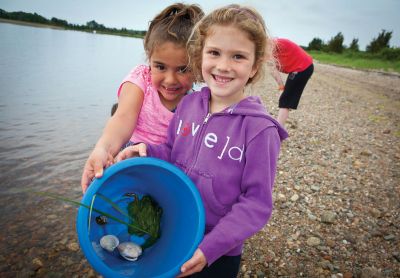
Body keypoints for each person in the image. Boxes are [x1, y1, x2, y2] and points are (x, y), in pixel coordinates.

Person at [115, 5, 288, 277]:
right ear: (200, 54)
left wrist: (211, 248)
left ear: (255, 65)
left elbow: (257, 203)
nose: (223, 66)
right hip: (173, 228)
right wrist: (145, 152)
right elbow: (172, 152)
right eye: (214, 53)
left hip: (218, 251)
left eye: (238, 56)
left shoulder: (260, 130)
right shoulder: (189, 104)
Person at [81, 3, 204, 193]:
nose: (170, 80)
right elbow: (122, 118)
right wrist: (103, 149)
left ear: (198, 66)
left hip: (166, 168)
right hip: (128, 158)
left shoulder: (198, 103)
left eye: (183, 69)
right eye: (160, 66)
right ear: (149, 58)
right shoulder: (141, 81)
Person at [271, 38, 314, 125]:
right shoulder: (269, 43)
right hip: (304, 66)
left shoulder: (266, 45)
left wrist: (281, 87)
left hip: (302, 67)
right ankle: (280, 125)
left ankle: (278, 131)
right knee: (286, 99)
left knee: (285, 100)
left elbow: (272, 69)